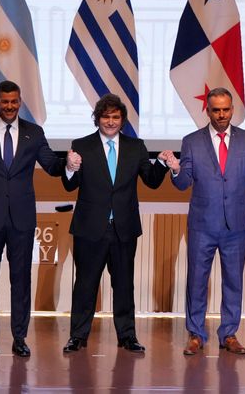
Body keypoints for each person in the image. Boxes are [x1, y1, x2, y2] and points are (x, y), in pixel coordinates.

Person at [166, 87, 245, 356]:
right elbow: (183, 183)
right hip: (202, 224)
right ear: (207, 110)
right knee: (197, 281)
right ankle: (196, 334)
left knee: (233, 281)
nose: (221, 115)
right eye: (216, 110)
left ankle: (229, 333)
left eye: (226, 109)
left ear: (232, 110)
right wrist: (175, 169)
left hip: (236, 225)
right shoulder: (191, 141)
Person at [0, 80, 74, 357]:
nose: (9, 106)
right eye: (4, 101)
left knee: (21, 280)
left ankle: (20, 337)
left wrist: (68, 165)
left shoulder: (34, 133)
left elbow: (51, 165)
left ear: (19, 102)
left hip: (22, 218)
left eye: (14, 101)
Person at [61, 93, 173, 354]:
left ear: (122, 120)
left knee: (124, 285)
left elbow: (152, 181)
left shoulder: (136, 147)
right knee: (86, 285)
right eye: (105, 116)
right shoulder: (82, 145)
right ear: (97, 118)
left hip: (123, 228)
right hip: (89, 229)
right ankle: (77, 336)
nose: (110, 122)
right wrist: (68, 166)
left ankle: (127, 336)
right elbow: (69, 185)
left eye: (115, 117)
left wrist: (163, 163)